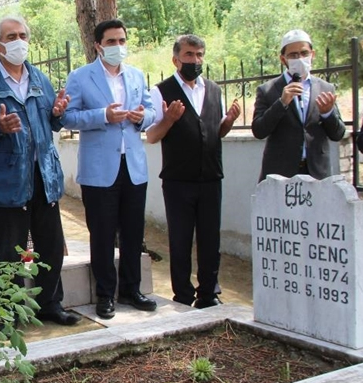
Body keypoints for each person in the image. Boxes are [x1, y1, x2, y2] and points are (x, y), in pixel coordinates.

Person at [0, 16, 81, 326]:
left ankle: (50, 304)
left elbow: (50, 123)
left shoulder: (39, 78)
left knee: (50, 247)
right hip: (7, 180)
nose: (19, 41)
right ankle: (8, 312)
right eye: (11, 36)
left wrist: (57, 115)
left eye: (23, 35)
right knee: (10, 253)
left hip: (44, 176)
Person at [60, 19, 157, 319]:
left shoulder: (137, 75)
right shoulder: (80, 77)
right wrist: (103, 115)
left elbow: (152, 111)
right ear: (98, 46)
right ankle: (105, 295)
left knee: (132, 232)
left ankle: (131, 289)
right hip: (99, 169)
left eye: (122, 41)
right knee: (101, 235)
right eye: (112, 41)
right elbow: (69, 118)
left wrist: (143, 117)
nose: (118, 47)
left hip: (134, 166)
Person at [146, 34, 241, 308]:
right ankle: (183, 296)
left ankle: (209, 294)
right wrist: (170, 119)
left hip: (211, 177)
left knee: (211, 239)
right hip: (178, 180)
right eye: (189, 55)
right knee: (181, 239)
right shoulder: (161, 91)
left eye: (199, 55)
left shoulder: (213, 89)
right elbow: (152, 136)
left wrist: (230, 121)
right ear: (176, 59)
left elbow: (216, 131)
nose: (195, 60)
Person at [252, 29, 345, 181]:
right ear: (283, 59)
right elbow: (259, 130)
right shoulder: (267, 90)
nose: (300, 58)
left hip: (317, 174)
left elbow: (338, 134)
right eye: (293, 55)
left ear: (312, 55)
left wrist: (328, 114)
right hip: (281, 174)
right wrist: (281, 103)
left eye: (304, 53)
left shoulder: (325, 88)